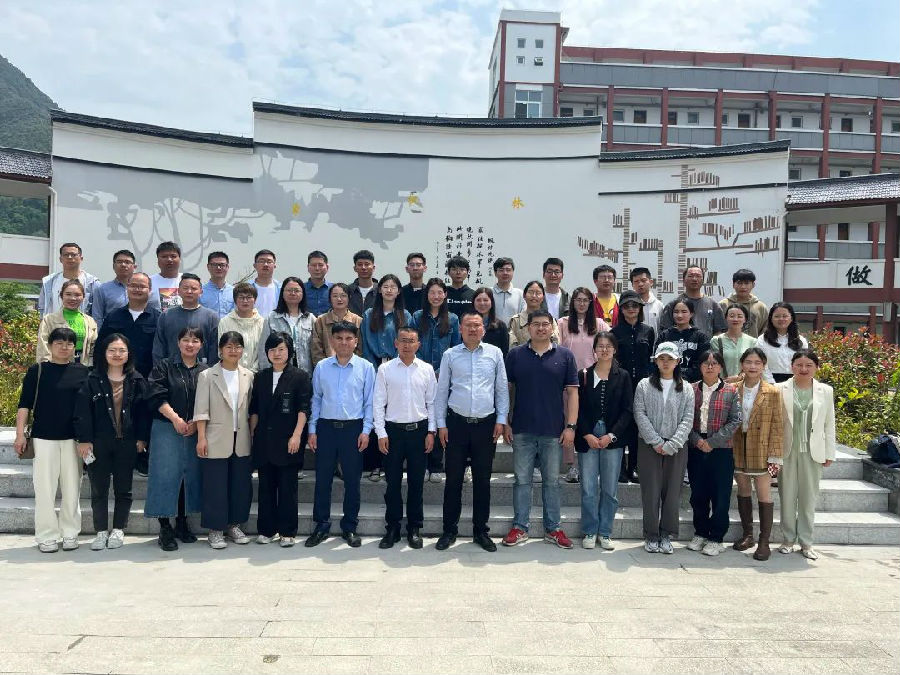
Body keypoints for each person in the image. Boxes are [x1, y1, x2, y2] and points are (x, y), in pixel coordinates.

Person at [502, 309, 578, 550]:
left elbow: (573, 393)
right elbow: (507, 390)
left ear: (552, 327)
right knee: (522, 481)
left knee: (552, 482)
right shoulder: (515, 355)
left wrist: (571, 426)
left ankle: (553, 528)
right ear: (528, 328)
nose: (541, 328)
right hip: (522, 428)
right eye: (536, 324)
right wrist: (505, 421)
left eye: (546, 324)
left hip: (553, 430)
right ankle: (520, 527)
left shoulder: (565, 356)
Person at [435, 312, 509, 552]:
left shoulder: (495, 354)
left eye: (477, 325)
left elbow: (501, 389)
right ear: (460, 329)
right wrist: (441, 424)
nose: (473, 329)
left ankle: (481, 531)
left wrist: (501, 419)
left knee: (482, 481)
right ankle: (449, 530)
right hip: (456, 425)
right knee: (453, 480)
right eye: (468, 325)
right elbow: (441, 391)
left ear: (483, 329)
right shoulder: (450, 355)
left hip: (486, 425)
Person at [13, 327, 89, 552]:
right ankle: (46, 535)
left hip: (73, 439)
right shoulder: (37, 371)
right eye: (59, 343)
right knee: (44, 489)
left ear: (74, 347)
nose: (64, 347)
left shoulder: (83, 372)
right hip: (43, 437)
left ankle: (70, 533)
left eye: (69, 344)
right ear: (50, 345)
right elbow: (24, 405)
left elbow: (87, 408)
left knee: (72, 488)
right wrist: (20, 435)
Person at [75, 333, 151, 550]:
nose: (117, 354)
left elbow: (144, 413)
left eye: (121, 350)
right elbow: (82, 412)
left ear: (128, 354)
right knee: (99, 489)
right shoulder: (92, 379)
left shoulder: (137, 380)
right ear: (104, 353)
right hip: (98, 442)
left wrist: (142, 438)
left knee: (123, 489)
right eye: (112, 350)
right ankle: (100, 531)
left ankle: (118, 529)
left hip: (127, 442)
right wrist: (84, 440)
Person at [305, 321, 375, 548]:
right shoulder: (322, 367)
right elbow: (316, 399)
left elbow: (369, 403)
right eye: (339, 338)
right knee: (322, 480)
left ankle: (350, 526)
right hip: (326, 428)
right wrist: (312, 429)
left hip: (353, 429)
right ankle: (321, 525)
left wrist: (366, 431)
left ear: (356, 341)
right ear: (332, 341)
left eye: (348, 338)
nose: (344, 343)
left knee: (352, 481)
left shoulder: (365, 368)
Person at [145, 327, 208, 550]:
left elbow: (209, 400)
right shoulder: (164, 366)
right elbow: (155, 394)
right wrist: (175, 419)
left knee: (188, 476)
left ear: (201, 344)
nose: (190, 344)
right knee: (164, 476)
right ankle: (165, 527)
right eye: (186, 340)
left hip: (195, 430)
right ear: (178, 342)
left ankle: (182, 522)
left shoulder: (206, 371)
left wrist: (196, 424)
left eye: (195, 340)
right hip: (166, 427)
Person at [373, 326, 437, 549]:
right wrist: (381, 433)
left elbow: (432, 403)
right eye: (403, 340)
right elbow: (378, 403)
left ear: (418, 344)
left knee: (416, 483)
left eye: (411, 341)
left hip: (419, 432)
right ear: (396, 344)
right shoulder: (385, 369)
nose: (407, 345)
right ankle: (392, 528)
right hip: (393, 433)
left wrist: (431, 432)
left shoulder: (427, 369)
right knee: (392, 483)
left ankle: (414, 528)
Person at [193, 331, 255, 549]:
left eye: (238, 346)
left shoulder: (249, 375)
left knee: (240, 485)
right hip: (215, 437)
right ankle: (216, 529)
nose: (233, 350)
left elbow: (251, 410)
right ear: (220, 350)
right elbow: (201, 409)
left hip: (242, 438)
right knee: (215, 486)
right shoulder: (208, 375)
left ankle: (234, 525)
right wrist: (201, 437)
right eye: (229, 346)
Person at [250, 332, 312, 548]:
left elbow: (304, 409)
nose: (276, 354)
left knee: (287, 489)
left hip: (288, 440)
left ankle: (287, 531)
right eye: (272, 350)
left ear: (289, 351)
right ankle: (266, 530)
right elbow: (255, 409)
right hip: (264, 441)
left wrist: (297, 436)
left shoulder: (300, 376)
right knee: (266, 488)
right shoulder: (261, 377)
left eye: (281, 349)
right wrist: (252, 434)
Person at [633, 342, 695, 554]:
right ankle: (651, 534)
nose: (666, 362)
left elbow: (688, 418)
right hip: (649, 445)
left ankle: (666, 534)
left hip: (677, 446)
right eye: (662, 358)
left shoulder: (687, 388)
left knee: (672, 491)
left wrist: (673, 443)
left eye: (670, 359)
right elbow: (640, 413)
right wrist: (656, 441)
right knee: (650, 491)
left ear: (678, 361)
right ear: (656, 361)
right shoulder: (644, 385)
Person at [575, 332, 633, 551]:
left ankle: (605, 532)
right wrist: (586, 434)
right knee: (589, 488)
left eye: (609, 346)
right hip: (588, 435)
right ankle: (590, 530)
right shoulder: (583, 375)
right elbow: (577, 408)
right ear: (594, 350)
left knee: (609, 489)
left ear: (615, 349)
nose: (605, 349)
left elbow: (628, 410)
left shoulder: (623, 376)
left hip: (612, 438)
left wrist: (612, 435)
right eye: (600, 346)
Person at [778, 350, 835, 561]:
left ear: (816, 367)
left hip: (813, 452)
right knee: (787, 496)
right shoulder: (779, 389)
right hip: (787, 451)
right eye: (799, 365)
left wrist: (829, 452)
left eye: (809, 365)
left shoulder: (825, 391)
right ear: (791, 366)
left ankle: (806, 542)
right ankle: (787, 540)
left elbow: (829, 424)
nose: (804, 369)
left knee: (808, 498)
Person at [686, 351, 742, 557]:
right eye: (706, 363)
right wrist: (697, 440)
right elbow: (684, 419)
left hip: (721, 448)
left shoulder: (731, 391)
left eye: (715, 363)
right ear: (700, 366)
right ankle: (700, 532)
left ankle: (716, 537)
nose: (710, 367)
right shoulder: (690, 390)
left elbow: (735, 420)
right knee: (698, 493)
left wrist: (712, 442)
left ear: (721, 367)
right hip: (696, 446)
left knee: (720, 495)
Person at [731, 347, 783, 561]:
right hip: (738, 445)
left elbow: (777, 426)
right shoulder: (732, 389)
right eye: (748, 362)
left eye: (757, 363)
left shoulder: (772, 392)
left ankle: (764, 541)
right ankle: (748, 535)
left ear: (763, 366)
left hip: (762, 447)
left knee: (764, 494)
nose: (752, 366)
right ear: (742, 364)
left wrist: (775, 456)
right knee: (743, 490)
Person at [361, 274, 412, 481]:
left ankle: (393, 462)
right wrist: (374, 371)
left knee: (394, 414)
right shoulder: (369, 314)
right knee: (377, 414)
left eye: (393, 287)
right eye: (385, 286)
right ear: (379, 290)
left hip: (398, 368)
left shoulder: (405, 315)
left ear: (398, 291)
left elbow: (408, 344)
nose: (389, 290)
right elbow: (365, 345)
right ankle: (375, 464)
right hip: (375, 367)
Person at [558, 287, 609, 483]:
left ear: (590, 303)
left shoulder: (599, 324)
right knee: (570, 422)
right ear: (572, 302)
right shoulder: (562, 323)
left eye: (585, 300)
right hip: (569, 382)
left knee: (589, 420)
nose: (581, 303)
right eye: (578, 300)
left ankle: (591, 463)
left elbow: (609, 348)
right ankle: (572, 466)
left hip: (593, 381)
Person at [413, 278, 461, 483]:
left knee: (440, 417)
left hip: (444, 377)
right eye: (432, 292)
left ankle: (436, 464)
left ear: (445, 295)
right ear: (427, 295)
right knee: (422, 418)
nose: (436, 296)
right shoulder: (417, 317)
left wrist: (441, 371)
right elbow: (413, 344)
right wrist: (424, 370)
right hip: (420, 375)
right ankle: (422, 464)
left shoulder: (453, 319)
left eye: (440, 292)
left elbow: (456, 348)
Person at [611, 289, 656, 483]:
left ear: (640, 308)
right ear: (621, 309)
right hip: (621, 385)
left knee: (639, 425)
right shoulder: (614, 333)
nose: (631, 309)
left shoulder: (648, 331)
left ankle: (635, 466)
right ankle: (620, 467)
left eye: (635, 305)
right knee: (621, 424)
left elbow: (650, 358)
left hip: (642, 385)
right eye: (627, 306)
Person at [97, 273, 160, 378]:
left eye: (142, 286)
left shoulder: (158, 319)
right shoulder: (113, 316)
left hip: (148, 378)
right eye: (133, 285)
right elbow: (100, 347)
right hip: (116, 376)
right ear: (127, 288)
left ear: (150, 290)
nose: (137, 289)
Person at [152, 273, 220, 366]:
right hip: (171, 370)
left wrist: (210, 371)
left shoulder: (211, 317)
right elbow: (159, 348)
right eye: (185, 288)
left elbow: (215, 350)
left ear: (201, 292)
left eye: (194, 288)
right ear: (178, 291)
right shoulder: (166, 316)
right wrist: (161, 371)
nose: (189, 291)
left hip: (203, 371)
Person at [259, 276, 315, 375]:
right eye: (289, 290)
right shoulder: (272, 318)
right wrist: (266, 373)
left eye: (296, 290)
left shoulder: (310, 319)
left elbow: (315, 348)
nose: (293, 293)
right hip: (278, 372)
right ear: (282, 293)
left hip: (305, 373)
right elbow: (263, 348)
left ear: (303, 294)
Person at [91, 249, 160, 327]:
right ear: (113, 266)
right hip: (114, 331)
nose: (123, 265)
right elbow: (97, 317)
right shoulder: (102, 289)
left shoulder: (145, 289)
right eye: (119, 262)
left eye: (127, 262)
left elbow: (155, 312)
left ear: (134, 267)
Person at [37, 279, 98, 366]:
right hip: (56, 366)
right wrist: (47, 367)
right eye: (68, 294)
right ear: (61, 296)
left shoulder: (90, 321)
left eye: (77, 295)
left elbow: (93, 348)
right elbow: (43, 347)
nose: (73, 298)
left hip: (83, 366)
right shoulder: (49, 320)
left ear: (83, 297)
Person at [658, 266, 726, 336]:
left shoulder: (713, 305)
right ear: (683, 280)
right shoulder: (673, 305)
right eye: (690, 276)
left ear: (703, 280)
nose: (694, 279)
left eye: (698, 276)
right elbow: (665, 332)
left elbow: (719, 332)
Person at [656, 298, 710, 383]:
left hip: (693, 383)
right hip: (667, 381)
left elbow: (702, 363)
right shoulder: (664, 336)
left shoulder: (700, 337)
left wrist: (684, 377)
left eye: (684, 312)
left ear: (691, 314)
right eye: (676, 312)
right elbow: (657, 359)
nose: (679, 315)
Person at [37, 242, 99, 317]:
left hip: (81, 324)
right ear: (60, 259)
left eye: (73, 255)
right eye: (66, 255)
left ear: (81, 258)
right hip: (54, 323)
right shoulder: (49, 282)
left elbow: (98, 310)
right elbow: (42, 308)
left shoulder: (92, 283)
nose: (69, 257)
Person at [217, 282, 266, 373]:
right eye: (241, 297)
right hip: (231, 373)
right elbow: (221, 351)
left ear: (255, 300)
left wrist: (251, 373)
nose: (245, 301)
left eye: (249, 297)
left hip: (257, 374)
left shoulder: (262, 323)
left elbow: (264, 352)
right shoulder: (225, 322)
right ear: (235, 300)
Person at [311, 283, 363, 367]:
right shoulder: (320, 321)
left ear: (349, 298)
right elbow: (316, 349)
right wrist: (325, 367)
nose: (339, 299)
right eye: (335, 296)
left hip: (352, 368)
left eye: (343, 296)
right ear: (330, 299)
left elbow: (360, 349)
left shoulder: (357, 321)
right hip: (326, 368)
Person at [756, 302, 808, 383]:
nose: (781, 319)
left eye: (785, 316)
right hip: (769, 382)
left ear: (791, 318)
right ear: (771, 319)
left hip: (795, 382)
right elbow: (761, 363)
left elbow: (804, 362)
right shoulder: (762, 340)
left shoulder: (801, 341)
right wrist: (771, 383)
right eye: (777, 316)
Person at [711, 304, 757, 382]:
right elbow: (712, 365)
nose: (735, 319)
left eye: (740, 316)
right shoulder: (716, 341)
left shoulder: (752, 342)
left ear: (745, 319)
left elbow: (756, 365)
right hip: (722, 384)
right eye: (731, 316)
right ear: (726, 318)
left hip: (745, 384)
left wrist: (740, 377)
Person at [508, 280, 560, 349]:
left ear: (543, 297)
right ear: (524, 295)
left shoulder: (550, 320)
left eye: (538, 293)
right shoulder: (516, 320)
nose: (534, 296)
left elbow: (555, 342)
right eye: (530, 292)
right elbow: (512, 345)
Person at [719, 269, 768, 337]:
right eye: (739, 283)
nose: (743, 287)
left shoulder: (760, 307)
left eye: (746, 283)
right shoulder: (723, 304)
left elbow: (765, 330)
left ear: (753, 285)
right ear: (733, 285)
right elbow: (717, 329)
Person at [473, 287, 509, 356]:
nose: (482, 303)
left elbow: (504, 353)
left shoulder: (501, 326)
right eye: (478, 300)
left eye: (485, 300)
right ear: (473, 302)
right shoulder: (467, 325)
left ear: (491, 302)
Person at [629, 267, 665, 334]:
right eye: (636, 282)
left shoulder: (659, 306)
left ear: (651, 282)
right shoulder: (629, 306)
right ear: (632, 285)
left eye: (643, 280)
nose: (640, 284)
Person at [199, 251, 235, 318]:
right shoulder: (200, 292)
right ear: (208, 267)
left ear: (227, 267)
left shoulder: (234, 292)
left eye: (222, 265)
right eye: (214, 265)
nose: (218, 268)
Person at [149, 241, 183, 312]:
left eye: (173, 256)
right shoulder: (148, 282)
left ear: (180, 259)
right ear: (158, 260)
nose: (169, 260)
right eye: (164, 256)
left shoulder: (188, 280)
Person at [491, 257, 524, 325]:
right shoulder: (489, 293)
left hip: (514, 331)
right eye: (501, 270)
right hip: (491, 331)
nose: (505, 273)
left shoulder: (520, 294)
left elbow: (523, 317)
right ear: (495, 273)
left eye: (508, 270)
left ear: (513, 272)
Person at [250, 249, 281, 317]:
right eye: (261, 261)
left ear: (274, 265)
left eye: (269, 262)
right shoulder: (246, 287)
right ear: (255, 265)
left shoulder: (281, 289)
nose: (265, 264)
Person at [348, 249, 377, 316]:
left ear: (373, 267)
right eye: (360, 264)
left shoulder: (381, 291)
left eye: (367, 264)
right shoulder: (348, 290)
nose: (363, 268)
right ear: (355, 268)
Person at [305, 250, 333, 317]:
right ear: (308, 267)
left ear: (327, 267)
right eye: (313, 265)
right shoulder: (301, 289)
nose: (317, 269)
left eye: (320, 265)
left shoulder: (334, 289)